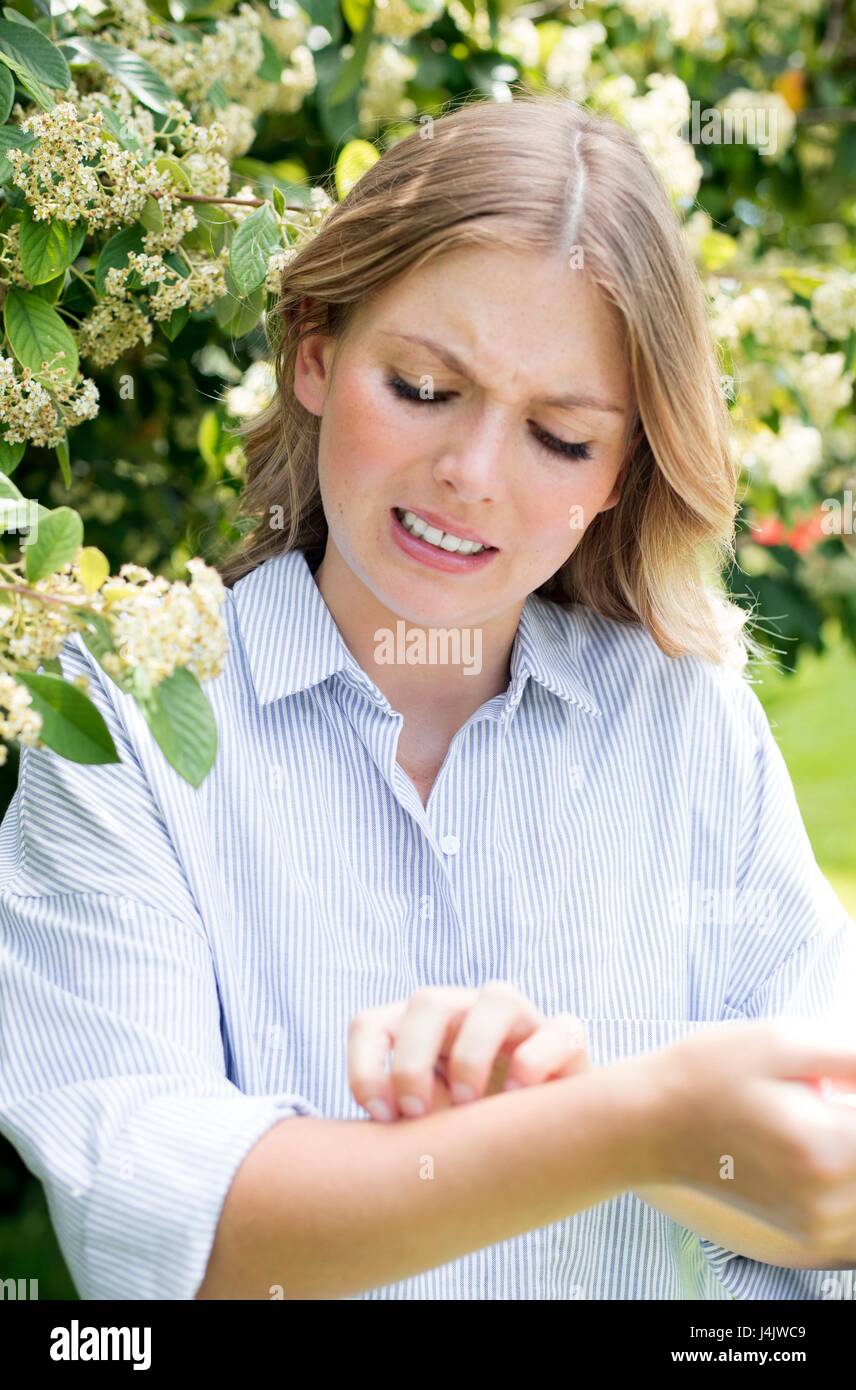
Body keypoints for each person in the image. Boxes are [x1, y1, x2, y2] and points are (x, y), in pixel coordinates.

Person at [1, 91, 856, 1303]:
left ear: (619, 474)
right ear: (313, 347)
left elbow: (831, 1184)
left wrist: (627, 1132)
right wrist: (618, 1128)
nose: (470, 476)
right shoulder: (122, 720)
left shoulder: (686, 720)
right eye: (420, 386)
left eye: (560, 437)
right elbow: (174, 1235)